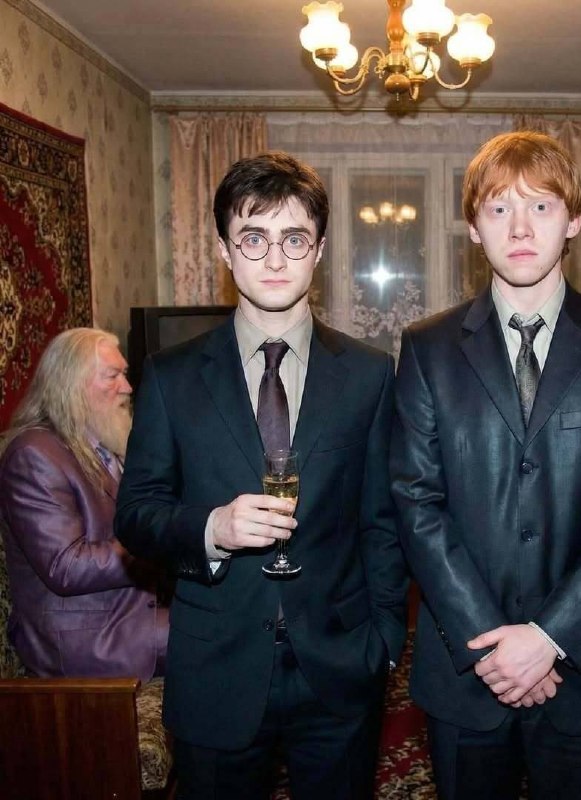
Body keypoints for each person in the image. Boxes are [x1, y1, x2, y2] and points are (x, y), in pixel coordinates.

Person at [115, 151, 408, 800]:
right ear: (225, 249)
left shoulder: (368, 374)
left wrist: (386, 639)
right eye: (254, 238)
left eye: (294, 239)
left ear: (319, 250)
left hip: (339, 668)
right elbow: (135, 513)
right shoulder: (170, 376)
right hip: (215, 667)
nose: (275, 259)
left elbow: (382, 521)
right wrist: (212, 529)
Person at [390, 131, 581, 800]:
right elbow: (417, 503)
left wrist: (550, 638)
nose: (519, 228)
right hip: (467, 669)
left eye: (540, 206)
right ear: (474, 228)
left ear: (573, 220)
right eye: (499, 209)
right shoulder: (427, 349)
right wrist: (494, 645)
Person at [0, 327, 168, 682]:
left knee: (250, 618)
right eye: (112, 375)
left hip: (130, 615)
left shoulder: (106, 443)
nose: (128, 387)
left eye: (124, 374)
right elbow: (66, 567)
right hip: (86, 639)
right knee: (225, 633)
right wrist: (161, 540)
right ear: (72, 385)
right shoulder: (33, 455)